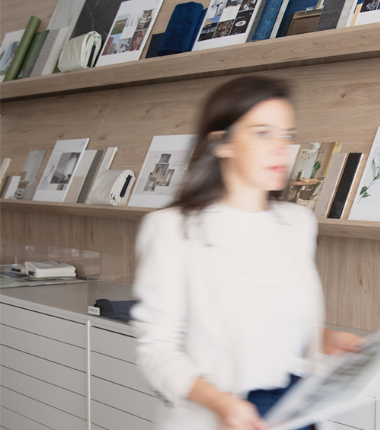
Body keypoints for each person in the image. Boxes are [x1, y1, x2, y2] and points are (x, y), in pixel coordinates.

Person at [131, 76, 362, 430]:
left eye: (287, 135)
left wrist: (326, 338)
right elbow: (157, 349)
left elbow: (269, 322)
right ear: (222, 143)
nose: (281, 149)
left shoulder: (297, 223)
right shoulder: (172, 228)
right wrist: (220, 403)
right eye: (262, 133)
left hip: (294, 411)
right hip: (225, 417)